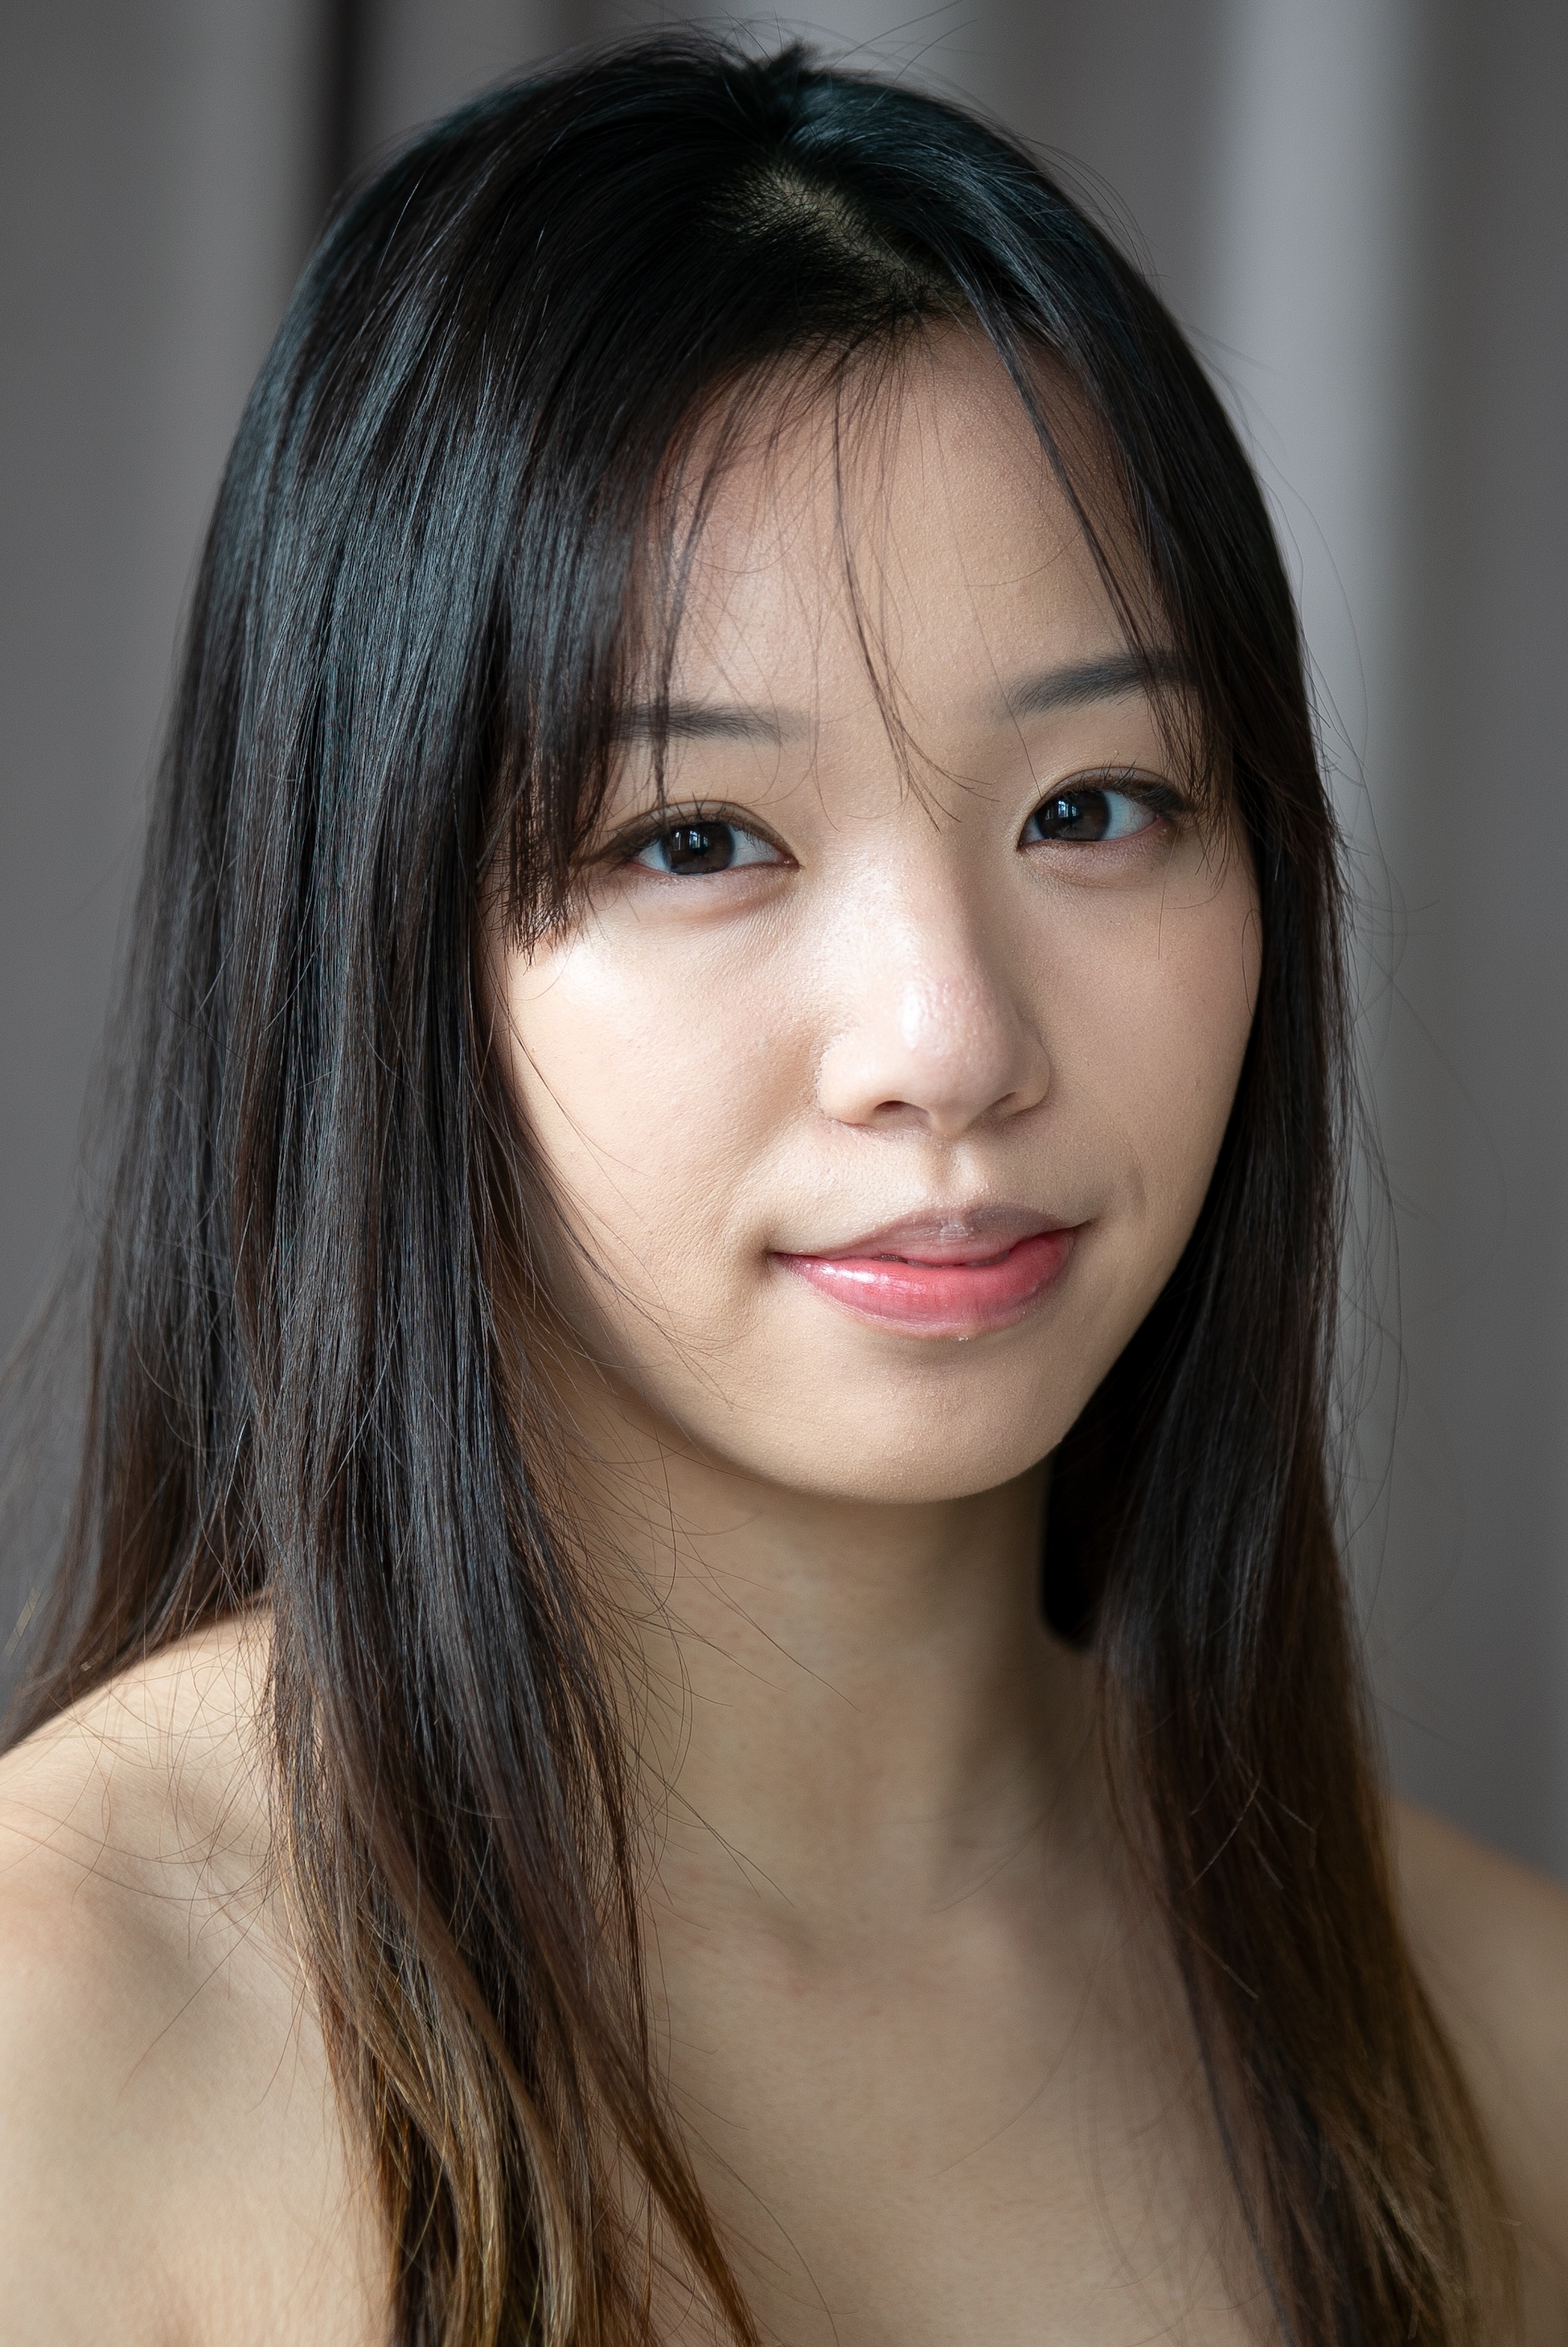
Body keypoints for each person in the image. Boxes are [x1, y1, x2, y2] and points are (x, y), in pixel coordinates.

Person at [0, 35, 1564, 2347]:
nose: (950, 1037)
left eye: (1096, 806)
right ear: (380, 941)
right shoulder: (64, 2042)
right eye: (699, 838)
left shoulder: (1501, 2057)